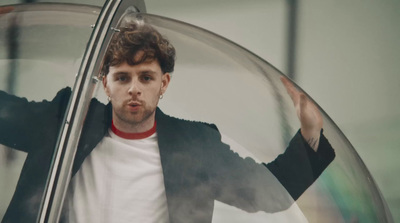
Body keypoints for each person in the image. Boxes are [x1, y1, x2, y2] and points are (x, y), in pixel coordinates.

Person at [0, 11, 335, 223]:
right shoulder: (67, 120)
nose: (134, 88)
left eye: (145, 77)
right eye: (122, 77)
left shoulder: (195, 145)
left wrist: (310, 132)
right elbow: (5, 116)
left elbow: (270, 192)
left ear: (164, 83)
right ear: (105, 83)